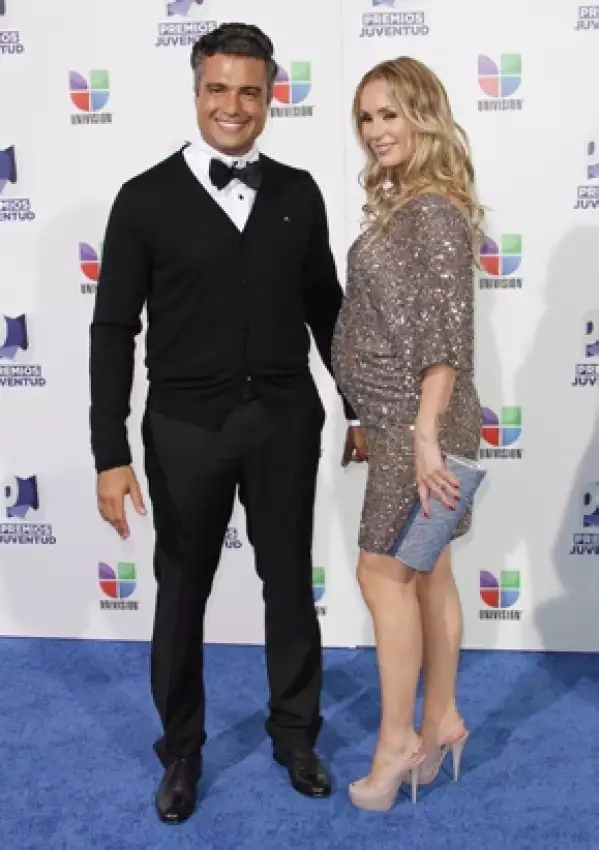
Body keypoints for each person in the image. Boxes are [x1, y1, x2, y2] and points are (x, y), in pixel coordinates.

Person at [89, 22, 366, 825]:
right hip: (183, 429)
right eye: (218, 88)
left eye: (250, 90)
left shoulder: (300, 191)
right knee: (181, 593)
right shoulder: (143, 199)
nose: (233, 106)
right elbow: (113, 330)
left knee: (289, 586)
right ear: (196, 90)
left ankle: (295, 735)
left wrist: (355, 405)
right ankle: (181, 749)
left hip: (283, 422)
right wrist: (111, 452)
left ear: (272, 95)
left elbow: (327, 309)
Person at [332, 56, 484, 810]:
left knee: (380, 574)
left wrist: (423, 434)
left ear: (423, 114)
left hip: (414, 424)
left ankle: (396, 744)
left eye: (390, 112)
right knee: (428, 574)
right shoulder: (415, 204)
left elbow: (446, 336)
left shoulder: (433, 212)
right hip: (403, 420)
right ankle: (442, 717)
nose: (376, 130)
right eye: (366, 117)